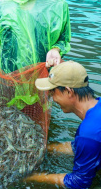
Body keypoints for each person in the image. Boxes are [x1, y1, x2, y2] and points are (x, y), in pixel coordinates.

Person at [25, 60, 101, 188]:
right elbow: (77, 146)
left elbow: (78, 183)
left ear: (68, 91)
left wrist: (33, 177)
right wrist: (45, 149)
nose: (51, 98)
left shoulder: (89, 133)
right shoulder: (96, 108)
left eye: (52, 92)